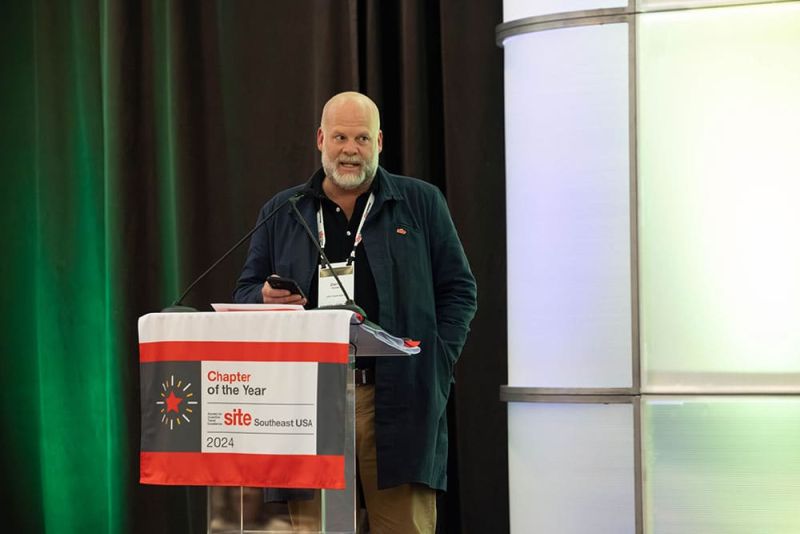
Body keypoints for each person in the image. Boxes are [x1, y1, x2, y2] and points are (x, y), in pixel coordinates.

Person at [234, 91, 477, 533]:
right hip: (307, 401)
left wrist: (437, 362)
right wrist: (261, 297)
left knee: (404, 526)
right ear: (320, 140)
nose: (350, 150)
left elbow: (459, 290)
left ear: (379, 142)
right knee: (315, 527)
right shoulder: (284, 210)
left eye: (362, 138)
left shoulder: (420, 202)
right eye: (340, 137)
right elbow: (246, 290)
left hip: (398, 398)